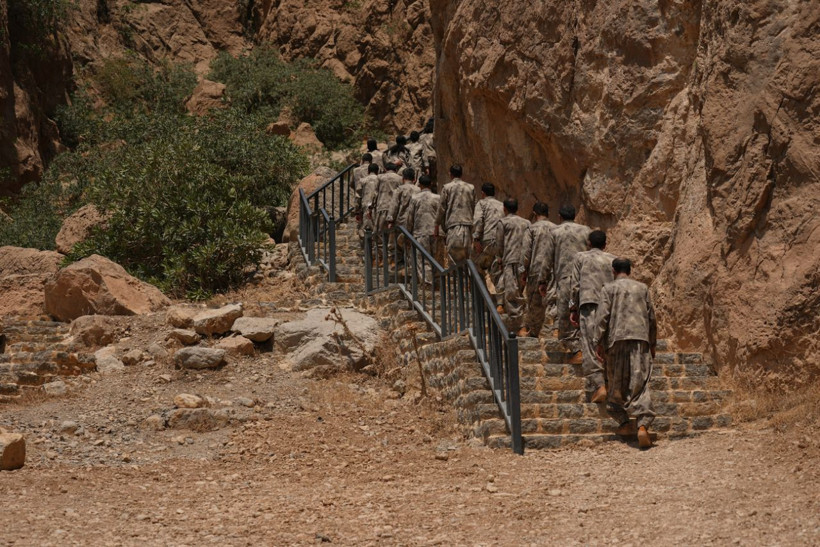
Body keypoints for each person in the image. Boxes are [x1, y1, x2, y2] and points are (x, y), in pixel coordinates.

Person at [592, 258, 657, 449]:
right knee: (641, 383)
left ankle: (624, 422)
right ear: (630, 270)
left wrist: (598, 342)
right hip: (640, 339)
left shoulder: (608, 289)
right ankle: (643, 425)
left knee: (616, 384)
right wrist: (652, 343)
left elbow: (602, 316)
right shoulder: (642, 288)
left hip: (616, 340)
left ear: (613, 270)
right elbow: (651, 317)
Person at [568, 230, 616, 402]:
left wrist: (572, 308)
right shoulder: (613, 259)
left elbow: (575, 285)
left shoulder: (580, 258)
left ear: (588, 243)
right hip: (610, 307)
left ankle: (599, 386)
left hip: (588, 304)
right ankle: (610, 383)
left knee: (590, 345)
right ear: (605, 244)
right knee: (607, 344)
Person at [550, 204, 591, 355]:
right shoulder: (586, 231)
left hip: (565, 277)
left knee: (565, 314)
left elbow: (548, 256)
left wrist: (543, 280)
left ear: (560, 217)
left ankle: (576, 350)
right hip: (586, 278)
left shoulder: (554, 231)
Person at [520, 202, 556, 338]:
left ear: (534, 214)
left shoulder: (532, 229)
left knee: (534, 303)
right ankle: (555, 330)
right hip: (553, 270)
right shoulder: (556, 228)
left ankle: (534, 331)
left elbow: (526, 253)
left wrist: (523, 271)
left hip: (536, 269)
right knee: (553, 300)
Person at [495, 198, 531, 333]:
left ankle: (519, 326)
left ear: (504, 208)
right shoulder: (527, 223)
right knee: (521, 293)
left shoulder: (502, 222)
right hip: (524, 262)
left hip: (509, 261)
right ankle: (523, 323)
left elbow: (499, 243)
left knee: (512, 295)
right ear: (517, 209)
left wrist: (499, 259)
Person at [435, 164, 475, 264]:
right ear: (461, 174)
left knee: (453, 260)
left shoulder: (447, 188)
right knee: (467, 260)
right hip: (468, 227)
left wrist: (436, 224)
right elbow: (475, 207)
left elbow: (441, 208)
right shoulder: (471, 188)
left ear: (450, 174)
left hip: (453, 227)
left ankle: (457, 279)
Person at [405, 175, 440, 282]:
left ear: (419, 185)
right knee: (436, 260)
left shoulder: (415, 198)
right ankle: (438, 284)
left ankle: (427, 286)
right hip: (436, 233)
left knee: (424, 260)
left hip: (420, 232)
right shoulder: (437, 198)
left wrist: (408, 233)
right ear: (430, 185)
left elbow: (410, 217)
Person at [472, 182, 504, 295]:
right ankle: (501, 302)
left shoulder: (482, 203)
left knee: (475, 266)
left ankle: (483, 297)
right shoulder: (501, 205)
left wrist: (476, 239)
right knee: (497, 270)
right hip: (501, 242)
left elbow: (478, 221)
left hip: (487, 240)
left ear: (482, 193)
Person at [387, 168, 419, 267]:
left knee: (396, 245)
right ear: (414, 178)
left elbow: (394, 205)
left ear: (403, 178)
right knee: (410, 245)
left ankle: (398, 265)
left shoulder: (399, 189)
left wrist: (390, 220)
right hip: (414, 221)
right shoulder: (418, 190)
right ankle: (411, 266)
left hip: (401, 221)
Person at [373, 163, 403, 262]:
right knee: (393, 235)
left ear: (385, 169)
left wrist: (371, 207)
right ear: (395, 169)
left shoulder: (380, 177)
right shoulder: (399, 178)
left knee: (379, 234)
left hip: (382, 207)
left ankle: (381, 259)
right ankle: (393, 259)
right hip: (394, 209)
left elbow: (375, 193)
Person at [356, 163, 381, 239]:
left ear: (368, 171)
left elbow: (358, 196)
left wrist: (357, 209)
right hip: (378, 206)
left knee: (366, 227)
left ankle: (367, 246)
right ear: (378, 171)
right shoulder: (380, 180)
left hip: (365, 205)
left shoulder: (363, 180)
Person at [419, 118, 436, 183]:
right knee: (434, 177)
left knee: (426, 175)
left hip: (424, 157)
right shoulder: (434, 136)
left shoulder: (421, 137)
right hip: (434, 157)